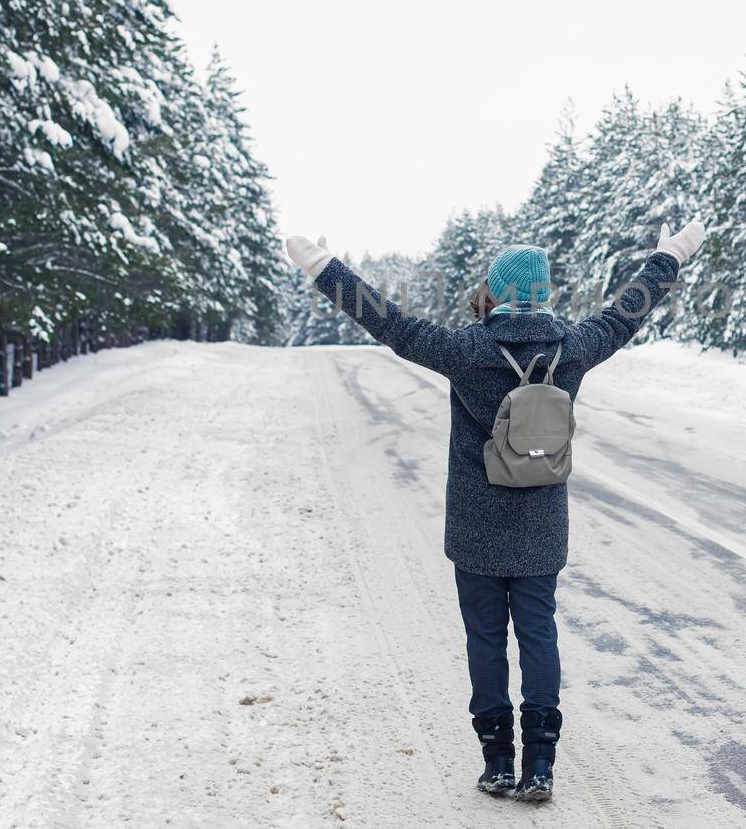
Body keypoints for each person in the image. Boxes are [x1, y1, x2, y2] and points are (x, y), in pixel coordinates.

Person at [284, 220, 705, 802]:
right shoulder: (573, 346)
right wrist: (671, 253)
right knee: (538, 635)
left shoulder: (467, 350)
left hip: (476, 527)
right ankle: (540, 766)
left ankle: (497, 763)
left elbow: (388, 321)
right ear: (545, 292)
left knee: (484, 639)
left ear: (497, 291)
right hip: (541, 526)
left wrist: (321, 268)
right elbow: (630, 308)